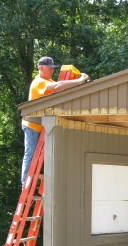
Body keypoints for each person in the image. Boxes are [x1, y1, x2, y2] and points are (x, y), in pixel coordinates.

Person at [21, 56, 90, 184]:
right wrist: (80, 81)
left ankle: (32, 182)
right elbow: (58, 86)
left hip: (40, 125)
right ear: (41, 68)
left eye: (53, 69)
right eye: (50, 68)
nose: (52, 71)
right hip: (32, 125)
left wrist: (76, 82)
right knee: (30, 154)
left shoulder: (48, 81)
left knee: (42, 155)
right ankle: (25, 183)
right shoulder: (39, 82)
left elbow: (61, 87)